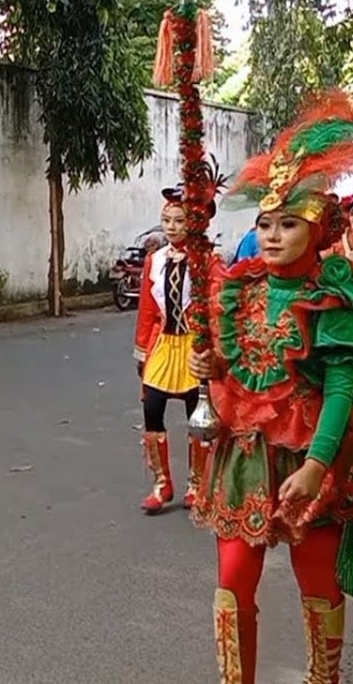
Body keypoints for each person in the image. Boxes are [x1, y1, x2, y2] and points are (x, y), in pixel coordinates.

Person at [186, 91, 353, 683]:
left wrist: (316, 466)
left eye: (288, 224)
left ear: (318, 229)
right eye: (265, 223)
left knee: (318, 584)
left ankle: (323, 679)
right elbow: (230, 371)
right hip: (243, 456)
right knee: (233, 582)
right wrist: (209, 367)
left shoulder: (333, 298)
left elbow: (340, 390)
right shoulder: (238, 289)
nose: (273, 235)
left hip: (312, 457)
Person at [133, 183, 203, 513]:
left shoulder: (204, 259)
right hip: (163, 343)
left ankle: (197, 484)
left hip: (193, 345)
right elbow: (147, 309)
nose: (172, 227)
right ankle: (162, 484)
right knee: (152, 408)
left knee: (196, 415)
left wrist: (212, 349)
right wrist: (141, 351)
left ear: (192, 223)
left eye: (179, 220)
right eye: (167, 221)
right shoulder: (155, 260)